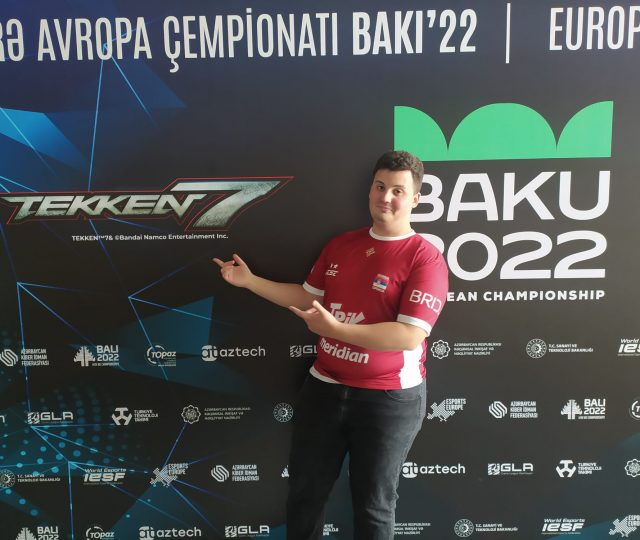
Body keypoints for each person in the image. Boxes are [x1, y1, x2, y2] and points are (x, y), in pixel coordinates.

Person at [213, 150, 448, 540]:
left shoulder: (425, 258)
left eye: (397, 191)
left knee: (374, 506)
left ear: (415, 198)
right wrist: (250, 282)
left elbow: (409, 335)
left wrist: (335, 330)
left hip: (387, 399)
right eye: (380, 187)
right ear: (370, 190)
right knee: (305, 497)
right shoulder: (341, 245)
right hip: (323, 389)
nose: (386, 198)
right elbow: (309, 298)